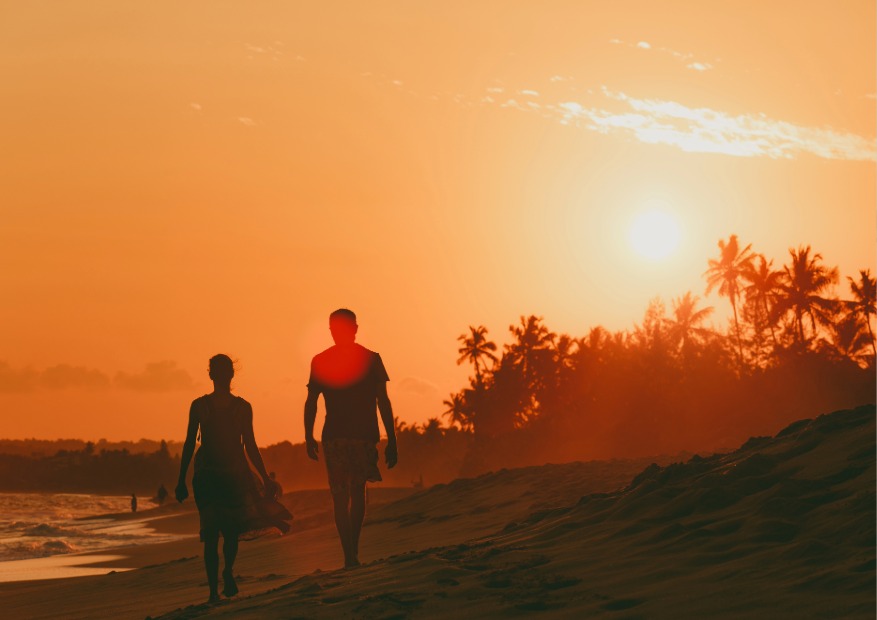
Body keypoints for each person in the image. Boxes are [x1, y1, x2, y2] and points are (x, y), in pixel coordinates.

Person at [176, 354, 292, 603]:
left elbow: (189, 445)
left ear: (211, 374)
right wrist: (264, 476)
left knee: (211, 533)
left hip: (209, 476)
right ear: (230, 374)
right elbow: (250, 445)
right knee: (228, 531)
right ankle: (226, 572)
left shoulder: (201, 406)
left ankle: (212, 593)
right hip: (229, 474)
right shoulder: (240, 407)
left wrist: (181, 479)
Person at [304, 308, 398, 569]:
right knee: (355, 493)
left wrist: (308, 435)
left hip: (340, 437)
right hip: (356, 436)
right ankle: (351, 552)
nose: (337, 334)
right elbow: (383, 401)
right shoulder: (370, 359)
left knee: (342, 495)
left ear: (354, 330)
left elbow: (312, 402)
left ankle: (350, 553)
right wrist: (392, 438)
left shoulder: (325, 360)